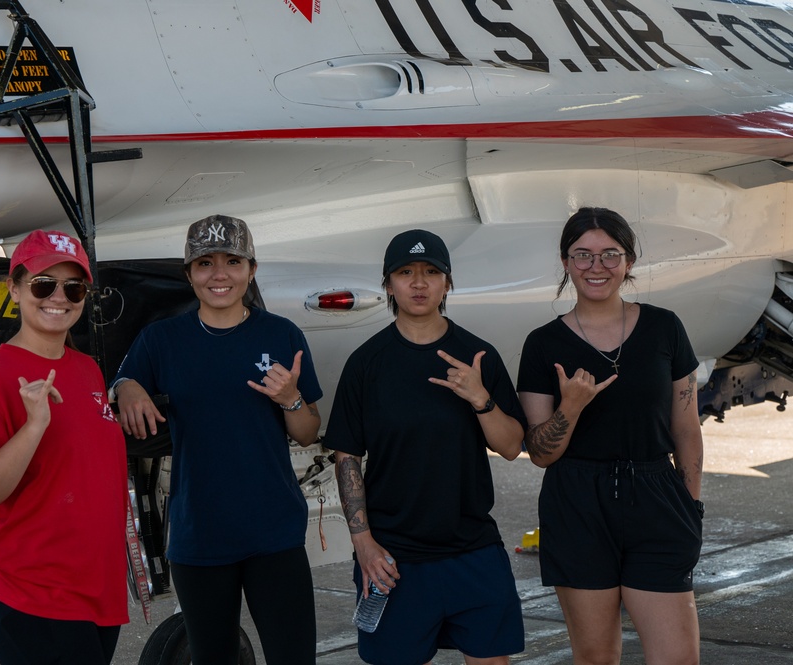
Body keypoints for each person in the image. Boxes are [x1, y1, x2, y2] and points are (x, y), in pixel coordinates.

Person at [111, 214, 322, 664]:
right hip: (199, 535)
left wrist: (290, 399)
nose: (219, 274)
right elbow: (123, 379)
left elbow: (308, 431)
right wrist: (126, 386)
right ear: (189, 274)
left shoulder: (280, 333)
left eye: (232, 261)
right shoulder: (162, 339)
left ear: (252, 269)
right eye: (205, 263)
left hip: (274, 532)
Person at [325, 229, 527, 665]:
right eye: (405, 272)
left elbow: (511, 446)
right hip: (393, 559)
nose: (419, 283)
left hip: (472, 550)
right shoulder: (366, 363)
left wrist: (481, 399)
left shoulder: (476, 356)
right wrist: (363, 543)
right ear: (388, 284)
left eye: (431, 272)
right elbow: (347, 458)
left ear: (448, 283)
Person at [517, 207, 704, 664]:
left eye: (609, 255)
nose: (595, 267)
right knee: (597, 656)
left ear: (629, 262)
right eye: (582, 255)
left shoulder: (665, 327)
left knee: (678, 657)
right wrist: (572, 406)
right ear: (565, 262)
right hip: (577, 501)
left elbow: (686, 426)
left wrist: (690, 503)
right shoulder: (542, 344)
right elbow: (540, 453)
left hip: (657, 494)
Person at [0, 230, 129, 665]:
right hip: (33, 598)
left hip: (94, 595)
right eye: (43, 284)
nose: (59, 297)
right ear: (14, 289)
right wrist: (32, 428)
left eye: (74, 287)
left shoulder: (87, 369)